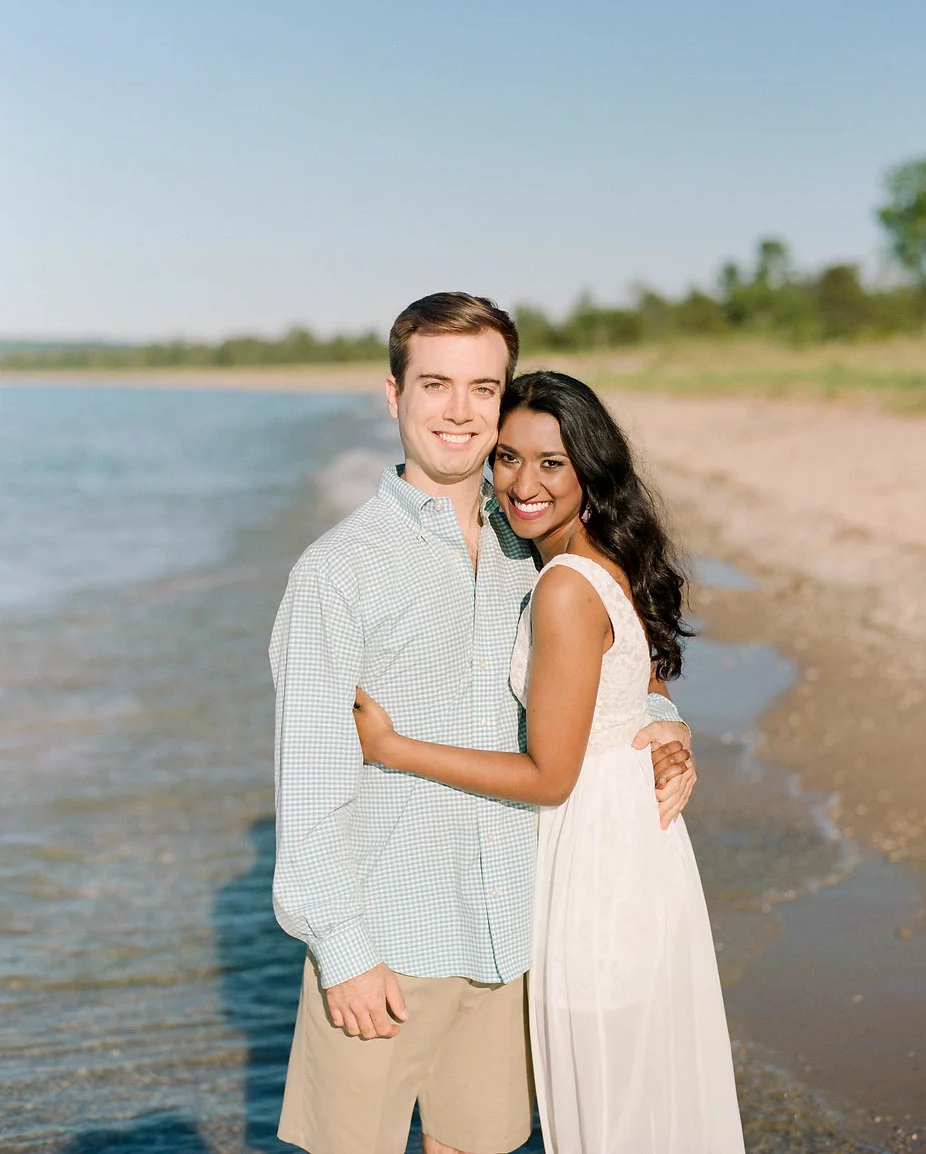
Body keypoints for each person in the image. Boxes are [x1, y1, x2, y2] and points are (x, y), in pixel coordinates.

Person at [270, 294, 695, 1154]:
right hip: (388, 938)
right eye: (435, 384)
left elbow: (607, 655)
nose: (459, 411)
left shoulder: (530, 547)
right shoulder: (336, 574)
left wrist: (661, 722)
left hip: (513, 931)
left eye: (482, 388)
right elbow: (310, 776)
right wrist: (342, 949)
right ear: (394, 396)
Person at [354, 370, 746, 1154]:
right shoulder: (601, 563)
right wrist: (667, 727)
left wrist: (393, 749)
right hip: (632, 844)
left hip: (594, 856)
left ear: (589, 470)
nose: (522, 483)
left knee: (601, 1088)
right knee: (638, 1080)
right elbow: (640, 679)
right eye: (506, 458)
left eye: (550, 463)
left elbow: (549, 775)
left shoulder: (563, 586)